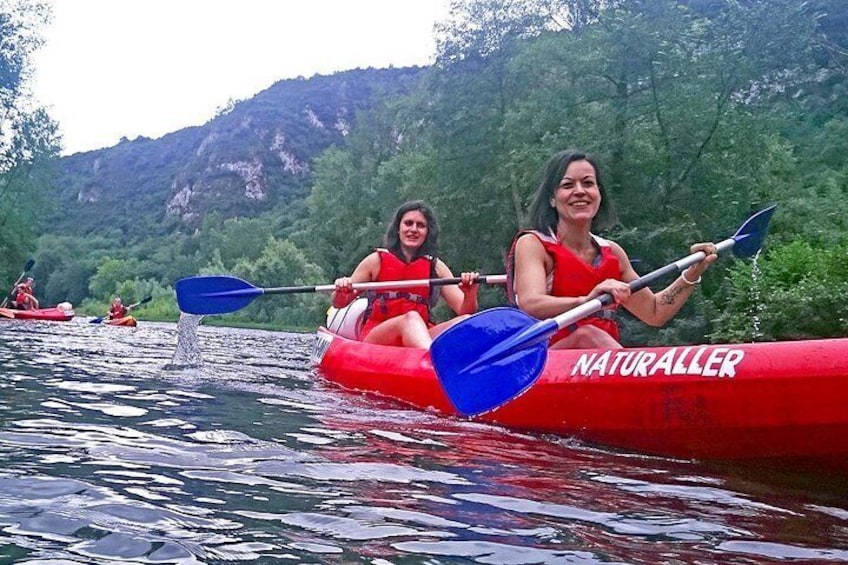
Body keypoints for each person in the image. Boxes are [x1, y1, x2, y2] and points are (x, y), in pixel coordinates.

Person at [508, 149, 717, 349]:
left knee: (593, 336)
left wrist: (692, 274)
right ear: (552, 198)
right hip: (546, 363)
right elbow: (531, 303)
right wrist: (586, 301)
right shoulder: (533, 244)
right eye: (567, 185)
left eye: (588, 183)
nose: (579, 191)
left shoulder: (613, 253)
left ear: (599, 194)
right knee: (588, 335)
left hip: (598, 362)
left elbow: (654, 312)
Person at [332, 200, 480, 348]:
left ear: (427, 232)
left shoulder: (436, 267)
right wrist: (342, 290)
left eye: (421, 225)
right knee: (410, 319)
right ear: (398, 228)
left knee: (463, 322)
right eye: (408, 223)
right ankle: (431, 361)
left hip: (421, 334)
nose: (414, 229)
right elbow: (339, 303)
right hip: (378, 336)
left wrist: (470, 293)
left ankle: (449, 361)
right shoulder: (375, 261)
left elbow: (465, 312)